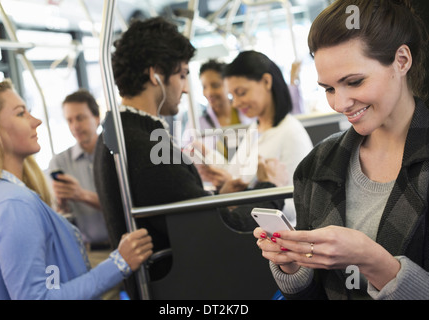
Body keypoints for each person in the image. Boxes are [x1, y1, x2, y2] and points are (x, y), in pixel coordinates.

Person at [254, 0, 429, 300]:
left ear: (401, 61)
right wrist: (295, 268)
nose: (340, 103)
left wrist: (373, 261)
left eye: (354, 82)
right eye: (329, 88)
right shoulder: (317, 166)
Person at [104, 17, 285, 271]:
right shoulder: (147, 151)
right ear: (155, 75)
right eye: (182, 75)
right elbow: (218, 232)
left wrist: (220, 198)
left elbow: (183, 212)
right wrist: (272, 191)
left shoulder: (121, 135)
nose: (186, 90)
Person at [0, 80, 153, 299]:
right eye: (21, 113)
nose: (37, 121)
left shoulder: (3, 195)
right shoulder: (12, 203)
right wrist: (119, 263)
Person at [197, 51, 313, 225]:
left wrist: (264, 189)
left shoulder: (291, 133)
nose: (235, 103)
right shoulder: (255, 128)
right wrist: (216, 168)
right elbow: (238, 174)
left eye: (241, 93)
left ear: (266, 81)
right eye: (232, 96)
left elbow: (301, 205)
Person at [47, 90, 110, 267]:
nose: (75, 126)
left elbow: (124, 204)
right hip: (91, 255)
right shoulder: (59, 162)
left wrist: (81, 195)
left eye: (80, 118)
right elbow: (60, 218)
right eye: (70, 120)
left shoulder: (116, 155)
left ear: (97, 118)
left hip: (129, 244)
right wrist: (61, 207)